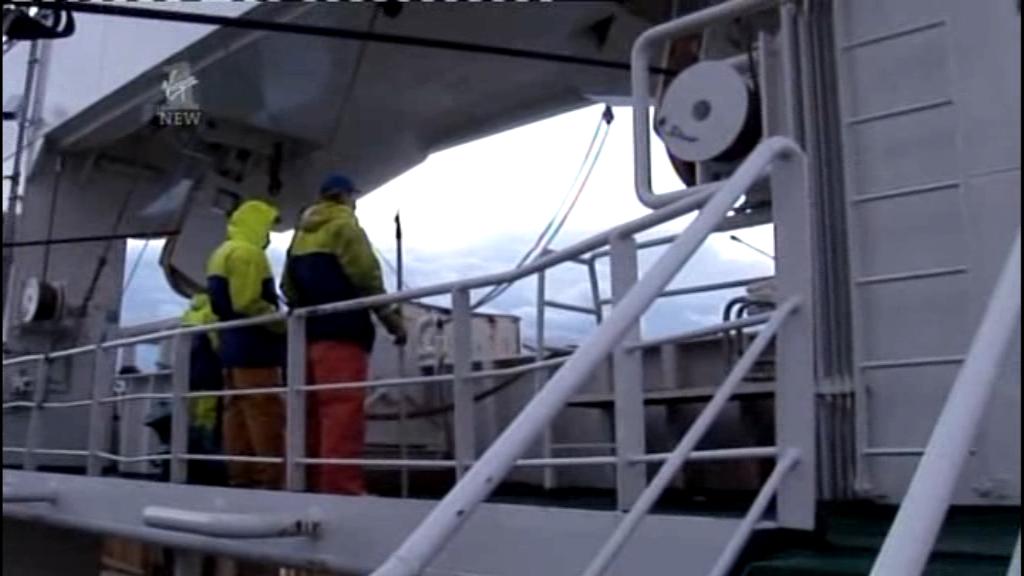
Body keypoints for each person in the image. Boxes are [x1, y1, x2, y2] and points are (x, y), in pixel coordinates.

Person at [282, 173, 407, 495]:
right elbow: (367, 280)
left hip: (306, 336)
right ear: (347, 196)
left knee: (308, 412)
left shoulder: (300, 235)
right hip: (344, 332)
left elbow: (288, 288)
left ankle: (306, 482)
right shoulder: (346, 228)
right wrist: (392, 321)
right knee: (342, 412)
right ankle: (341, 488)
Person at [206, 199, 285, 489]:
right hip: (255, 347)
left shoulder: (222, 252)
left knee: (236, 414)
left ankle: (240, 476)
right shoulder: (248, 254)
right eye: (268, 228)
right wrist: (281, 322)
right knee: (264, 412)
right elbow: (248, 302)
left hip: (231, 347)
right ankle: (270, 479)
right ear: (257, 224)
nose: (269, 236)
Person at [180, 293, 226, 486]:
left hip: (191, 371)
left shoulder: (189, 313)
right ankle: (207, 456)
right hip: (209, 369)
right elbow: (216, 340)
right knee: (208, 413)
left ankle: (190, 454)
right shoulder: (210, 311)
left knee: (192, 413)